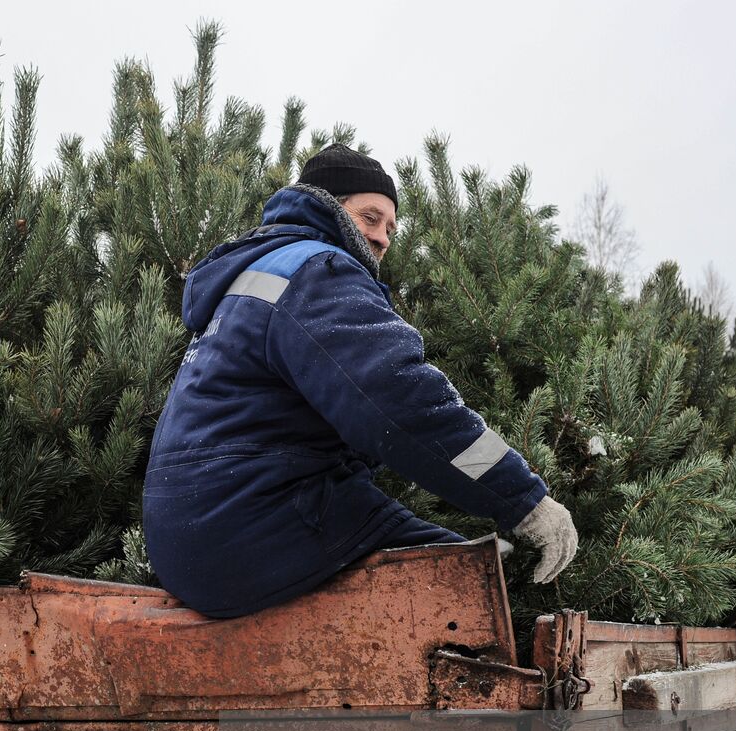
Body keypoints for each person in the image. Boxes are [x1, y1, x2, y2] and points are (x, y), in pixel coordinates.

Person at [143, 143, 577, 618]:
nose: (384, 238)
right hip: (252, 523)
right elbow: (408, 407)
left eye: (391, 227)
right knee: (466, 586)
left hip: (196, 529)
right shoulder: (318, 272)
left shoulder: (258, 272)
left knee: (462, 560)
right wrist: (522, 499)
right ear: (328, 207)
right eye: (370, 218)